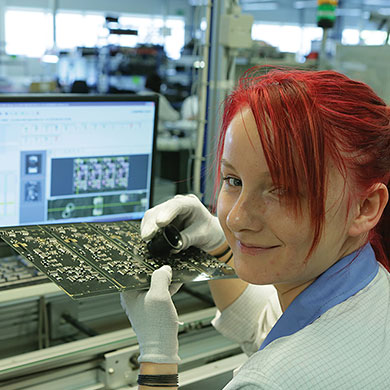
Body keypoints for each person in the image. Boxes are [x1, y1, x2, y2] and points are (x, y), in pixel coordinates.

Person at [120, 66, 390, 389]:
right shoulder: (372, 286)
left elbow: (284, 365)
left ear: (365, 207)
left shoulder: (268, 383)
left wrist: (157, 359)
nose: (236, 218)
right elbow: (264, 328)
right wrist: (220, 245)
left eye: (282, 190)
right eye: (233, 180)